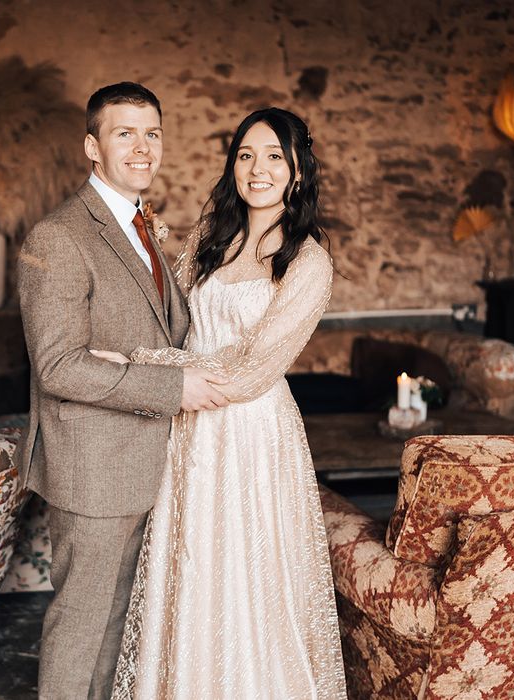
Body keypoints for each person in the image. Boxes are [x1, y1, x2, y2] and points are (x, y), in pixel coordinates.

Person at [97, 108, 347, 699]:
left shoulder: (307, 260)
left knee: (245, 572)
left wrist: (138, 368)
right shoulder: (216, 234)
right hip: (189, 424)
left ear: (297, 170)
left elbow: (251, 368)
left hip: (251, 429)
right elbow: (176, 324)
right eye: (245, 155)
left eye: (274, 157)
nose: (257, 169)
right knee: (188, 565)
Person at [15, 82, 228, 700]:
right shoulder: (58, 236)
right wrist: (172, 385)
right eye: (124, 133)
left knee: (122, 626)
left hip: (147, 459)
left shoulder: (141, 225)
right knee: (85, 627)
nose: (142, 147)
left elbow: (163, 329)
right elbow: (58, 367)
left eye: (152, 133)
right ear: (92, 146)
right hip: (96, 469)